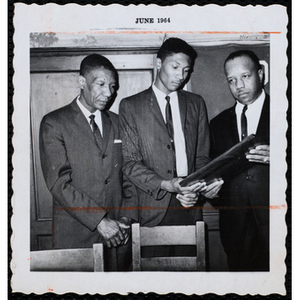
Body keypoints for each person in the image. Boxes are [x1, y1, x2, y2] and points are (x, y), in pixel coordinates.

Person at [119, 38, 223, 258]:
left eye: (186, 70)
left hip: (190, 207)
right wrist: (167, 185)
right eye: (175, 67)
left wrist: (194, 189)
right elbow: (129, 163)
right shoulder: (131, 106)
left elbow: (202, 157)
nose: (181, 76)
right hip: (152, 211)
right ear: (158, 64)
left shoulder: (196, 103)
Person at [39, 54, 136, 271]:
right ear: (81, 82)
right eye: (101, 84)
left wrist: (125, 218)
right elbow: (59, 184)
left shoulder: (119, 122)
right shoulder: (54, 123)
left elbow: (128, 174)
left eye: (112, 86)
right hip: (76, 237)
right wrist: (100, 221)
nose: (109, 93)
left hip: (118, 237)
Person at [209, 50, 270, 271]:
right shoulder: (216, 124)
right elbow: (213, 176)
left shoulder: (287, 113)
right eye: (231, 80)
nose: (239, 85)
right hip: (235, 232)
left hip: (280, 226)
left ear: (261, 74)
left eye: (245, 76)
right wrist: (211, 191)